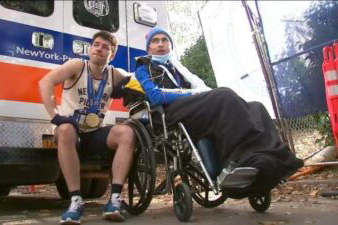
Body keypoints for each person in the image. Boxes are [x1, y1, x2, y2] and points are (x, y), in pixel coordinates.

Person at [134, 26, 304, 197]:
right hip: (169, 112)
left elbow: (199, 88)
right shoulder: (143, 68)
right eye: (155, 41)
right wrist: (191, 93)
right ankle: (239, 160)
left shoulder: (177, 66)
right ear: (149, 48)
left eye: (165, 40)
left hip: (192, 108)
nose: (161, 44)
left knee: (256, 107)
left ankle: (272, 157)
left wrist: (196, 93)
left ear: (171, 45)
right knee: (224, 94)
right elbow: (155, 97)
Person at [39, 31, 134, 224]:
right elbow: (46, 82)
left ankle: (115, 199)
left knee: (127, 132)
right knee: (65, 130)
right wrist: (55, 116)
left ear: (112, 54)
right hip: (71, 132)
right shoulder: (77, 66)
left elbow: (140, 86)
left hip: (95, 133)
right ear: (90, 48)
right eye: (96, 44)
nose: (99, 48)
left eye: (106, 47)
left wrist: (127, 89)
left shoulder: (116, 74)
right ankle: (75, 201)